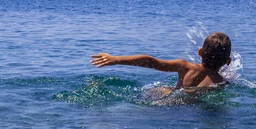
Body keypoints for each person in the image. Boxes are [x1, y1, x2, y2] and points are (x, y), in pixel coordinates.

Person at [91, 32, 232, 89]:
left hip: (169, 103)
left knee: (161, 90)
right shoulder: (221, 82)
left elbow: (150, 61)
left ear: (200, 52)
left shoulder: (185, 67)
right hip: (190, 110)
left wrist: (116, 59)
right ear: (228, 61)